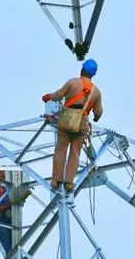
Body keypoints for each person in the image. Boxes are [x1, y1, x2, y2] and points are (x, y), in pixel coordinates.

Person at [42, 58, 104, 191]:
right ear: (93, 74)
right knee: (75, 152)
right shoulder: (96, 92)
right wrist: (96, 118)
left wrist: (48, 97)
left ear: (82, 69)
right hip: (82, 121)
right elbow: (98, 112)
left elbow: (58, 95)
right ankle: (68, 183)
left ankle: (56, 180)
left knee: (60, 149)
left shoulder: (72, 83)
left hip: (67, 118)